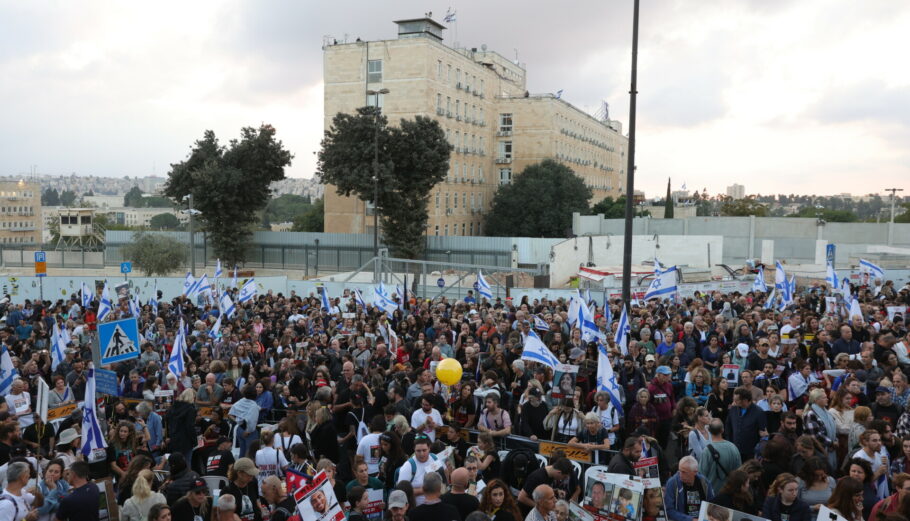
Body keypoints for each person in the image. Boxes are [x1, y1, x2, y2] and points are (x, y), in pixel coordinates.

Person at [697, 419, 742, 495]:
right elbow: (739, 471)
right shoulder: (733, 447)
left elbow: (701, 475)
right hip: (730, 493)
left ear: (709, 430)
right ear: (722, 430)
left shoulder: (706, 451)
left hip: (712, 494)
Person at [664, 456, 714, 521]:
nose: (680, 475)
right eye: (680, 471)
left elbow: (712, 504)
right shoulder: (672, 483)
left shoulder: (705, 483)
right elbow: (669, 510)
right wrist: (690, 519)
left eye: (684, 472)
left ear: (695, 472)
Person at [396, 436, 442, 506]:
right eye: (418, 451)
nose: (421, 454)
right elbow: (401, 492)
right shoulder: (408, 466)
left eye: (424, 450)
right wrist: (428, 489)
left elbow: (444, 476)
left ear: (429, 448)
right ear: (414, 449)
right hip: (416, 508)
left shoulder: (435, 458)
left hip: (436, 505)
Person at [725, 388, 767, 462]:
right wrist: (729, 442)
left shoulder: (759, 412)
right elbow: (728, 427)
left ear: (745, 400)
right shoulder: (733, 409)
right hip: (734, 450)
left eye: (736, 400)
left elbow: (762, 432)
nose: (734, 402)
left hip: (750, 453)